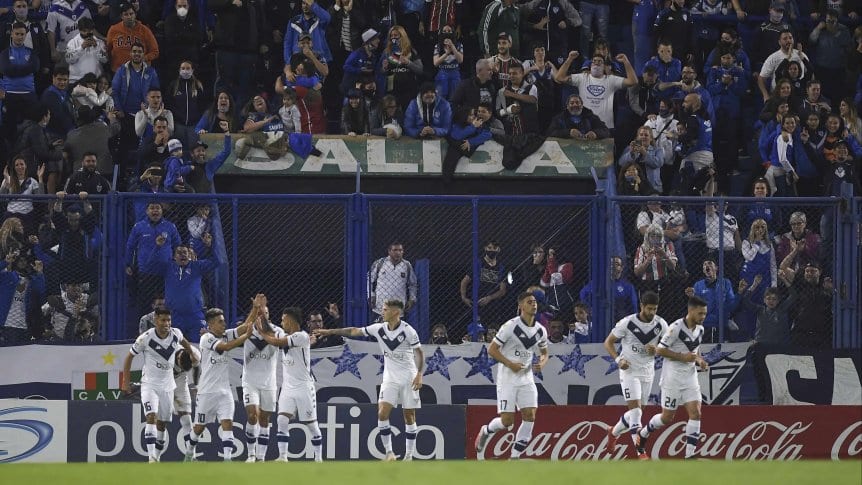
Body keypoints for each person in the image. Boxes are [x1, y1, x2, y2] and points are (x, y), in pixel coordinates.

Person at [314, 299, 424, 461]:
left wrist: (419, 374)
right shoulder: (378, 328)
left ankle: (408, 456)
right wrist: (330, 331)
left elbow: (419, 352)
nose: (382, 312)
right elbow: (354, 331)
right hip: (390, 378)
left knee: (409, 416)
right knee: (382, 413)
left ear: (395, 312)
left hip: (408, 376)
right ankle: (389, 453)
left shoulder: (409, 331)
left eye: (385, 309)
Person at [474, 291, 549, 460]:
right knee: (507, 421)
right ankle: (486, 430)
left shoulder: (541, 330)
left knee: (530, 416)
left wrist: (542, 363)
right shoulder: (510, 326)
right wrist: (510, 364)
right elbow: (492, 350)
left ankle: (514, 457)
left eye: (535, 302)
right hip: (508, 378)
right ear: (520, 306)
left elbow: (545, 352)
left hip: (527, 378)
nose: (534, 304)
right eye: (529, 302)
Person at [637, 296, 709, 460]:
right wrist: (683, 357)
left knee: (696, 413)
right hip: (672, 378)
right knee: (667, 417)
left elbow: (695, 351)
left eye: (705, 313)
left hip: (690, 378)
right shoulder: (676, 327)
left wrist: (700, 361)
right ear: (690, 311)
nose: (703, 317)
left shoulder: (700, 329)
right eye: (700, 313)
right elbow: (659, 350)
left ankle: (689, 456)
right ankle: (644, 433)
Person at [121, 307, 197, 462]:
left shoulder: (176, 333)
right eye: (163, 320)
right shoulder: (145, 338)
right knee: (151, 416)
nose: (166, 323)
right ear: (155, 320)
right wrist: (125, 382)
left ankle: (157, 454)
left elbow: (185, 342)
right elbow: (129, 357)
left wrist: (191, 353)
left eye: (169, 320)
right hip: (149, 384)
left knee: (162, 424)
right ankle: (151, 458)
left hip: (168, 386)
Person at [183, 305, 257, 462]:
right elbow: (225, 347)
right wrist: (246, 336)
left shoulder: (226, 334)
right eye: (220, 322)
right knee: (199, 428)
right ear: (210, 324)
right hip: (207, 391)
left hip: (225, 391)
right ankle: (189, 454)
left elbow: (245, 326)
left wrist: (255, 308)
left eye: (223, 321)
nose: (224, 324)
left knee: (228, 423)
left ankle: (227, 460)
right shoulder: (206, 338)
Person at [603, 291, 668, 459]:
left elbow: (669, 346)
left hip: (648, 372)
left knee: (636, 412)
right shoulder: (627, 323)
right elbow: (608, 342)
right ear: (641, 306)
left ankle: (613, 432)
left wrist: (658, 350)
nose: (652, 312)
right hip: (629, 371)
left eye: (655, 309)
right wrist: (618, 360)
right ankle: (640, 452)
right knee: (636, 413)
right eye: (649, 308)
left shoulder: (661, 324)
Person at [255, 304, 324, 462]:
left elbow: (276, 341)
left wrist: (262, 333)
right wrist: (260, 314)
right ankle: (283, 457)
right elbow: (272, 330)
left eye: (283, 320)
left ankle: (318, 459)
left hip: (304, 387)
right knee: (281, 419)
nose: (282, 322)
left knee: (311, 424)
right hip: (287, 387)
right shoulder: (284, 334)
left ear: (291, 321)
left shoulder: (302, 336)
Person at [139, 231, 220, 343]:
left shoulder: (197, 266)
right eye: (179, 253)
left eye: (185, 252)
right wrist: (157, 247)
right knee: (172, 347)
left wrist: (210, 246)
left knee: (200, 345)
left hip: (195, 316)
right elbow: (149, 265)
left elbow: (216, 262)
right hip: (174, 317)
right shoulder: (168, 267)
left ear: (189, 255)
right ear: (174, 257)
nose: (182, 254)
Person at [237, 298, 283, 463]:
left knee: (264, 419)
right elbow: (233, 334)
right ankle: (250, 455)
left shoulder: (277, 331)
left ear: (269, 315)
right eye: (259, 313)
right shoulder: (247, 329)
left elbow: (281, 341)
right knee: (252, 415)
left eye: (265, 313)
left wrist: (264, 327)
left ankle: (261, 458)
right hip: (250, 382)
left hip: (269, 383)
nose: (262, 315)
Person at [460, 240, 508, 329]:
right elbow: (464, 281)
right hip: (476, 303)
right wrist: (464, 297)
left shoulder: (501, 267)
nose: (492, 250)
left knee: (492, 330)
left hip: (492, 305)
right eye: (489, 248)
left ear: (498, 249)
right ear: (485, 248)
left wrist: (490, 298)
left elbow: (502, 290)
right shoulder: (478, 263)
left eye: (494, 248)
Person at [368, 241, 417, 320]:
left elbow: (413, 284)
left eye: (400, 250)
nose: (398, 253)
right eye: (395, 250)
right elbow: (368, 280)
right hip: (380, 308)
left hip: (398, 309)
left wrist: (412, 299)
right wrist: (371, 295)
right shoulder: (380, 263)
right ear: (389, 251)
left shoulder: (407, 265)